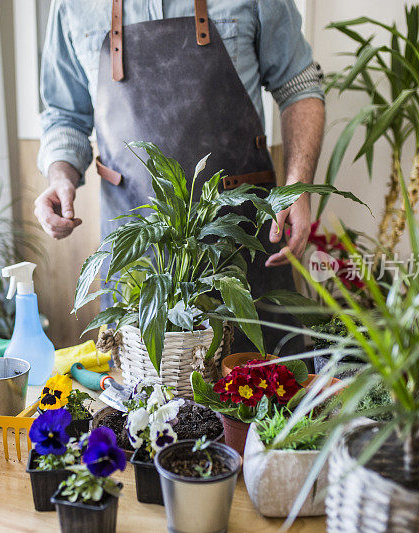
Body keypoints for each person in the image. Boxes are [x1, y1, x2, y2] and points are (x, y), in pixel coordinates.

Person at [34, 0, 324, 357]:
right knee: (145, 400)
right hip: (139, 257)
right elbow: (64, 115)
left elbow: (299, 87)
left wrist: (298, 187)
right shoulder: (73, 6)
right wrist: (61, 175)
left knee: (261, 391)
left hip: (240, 245)